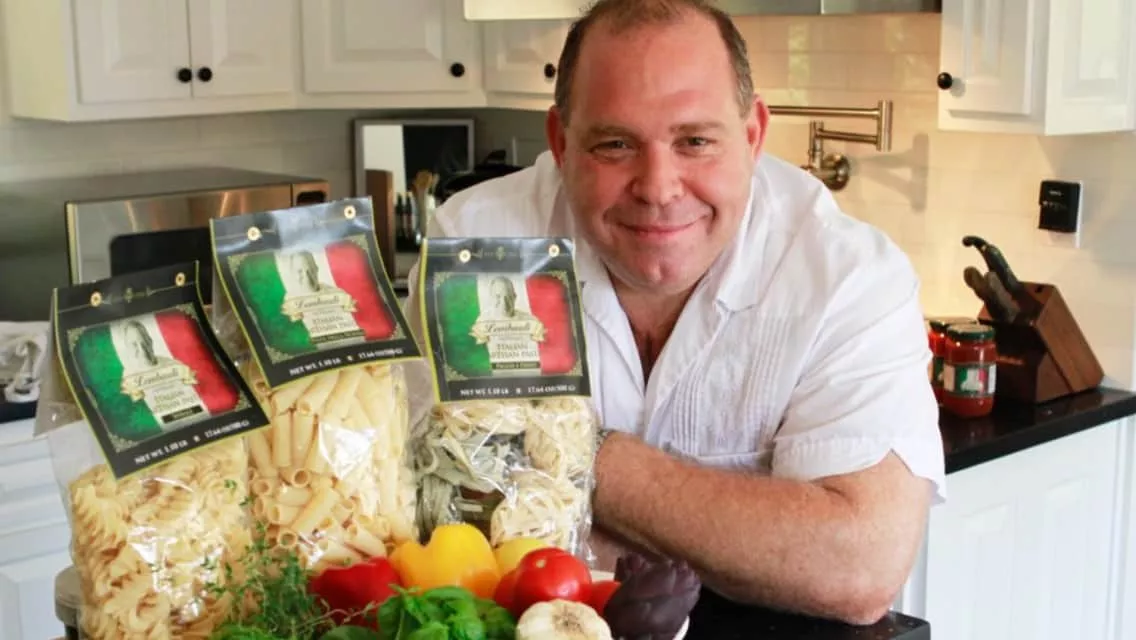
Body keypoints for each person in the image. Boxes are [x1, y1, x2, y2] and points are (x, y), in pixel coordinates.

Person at [404, 0, 944, 625]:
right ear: (560, 143)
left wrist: (572, 453)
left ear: (752, 135)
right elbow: (442, 513)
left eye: (695, 142)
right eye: (615, 144)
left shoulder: (847, 277)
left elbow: (857, 567)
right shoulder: (478, 243)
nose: (658, 188)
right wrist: (752, 530)